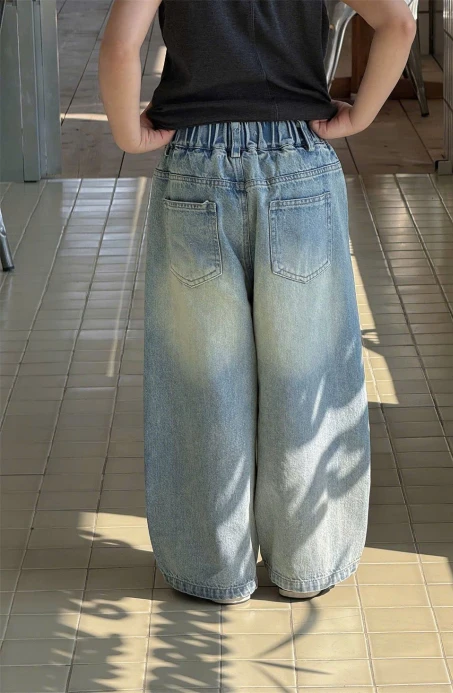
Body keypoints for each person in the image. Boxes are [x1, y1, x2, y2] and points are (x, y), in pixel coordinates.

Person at [99, 0, 416, 605]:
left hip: (195, 168)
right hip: (299, 161)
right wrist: (358, 117)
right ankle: (308, 563)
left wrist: (126, 133)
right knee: (305, 372)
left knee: (203, 380)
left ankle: (213, 571)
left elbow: (119, 48)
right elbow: (399, 23)